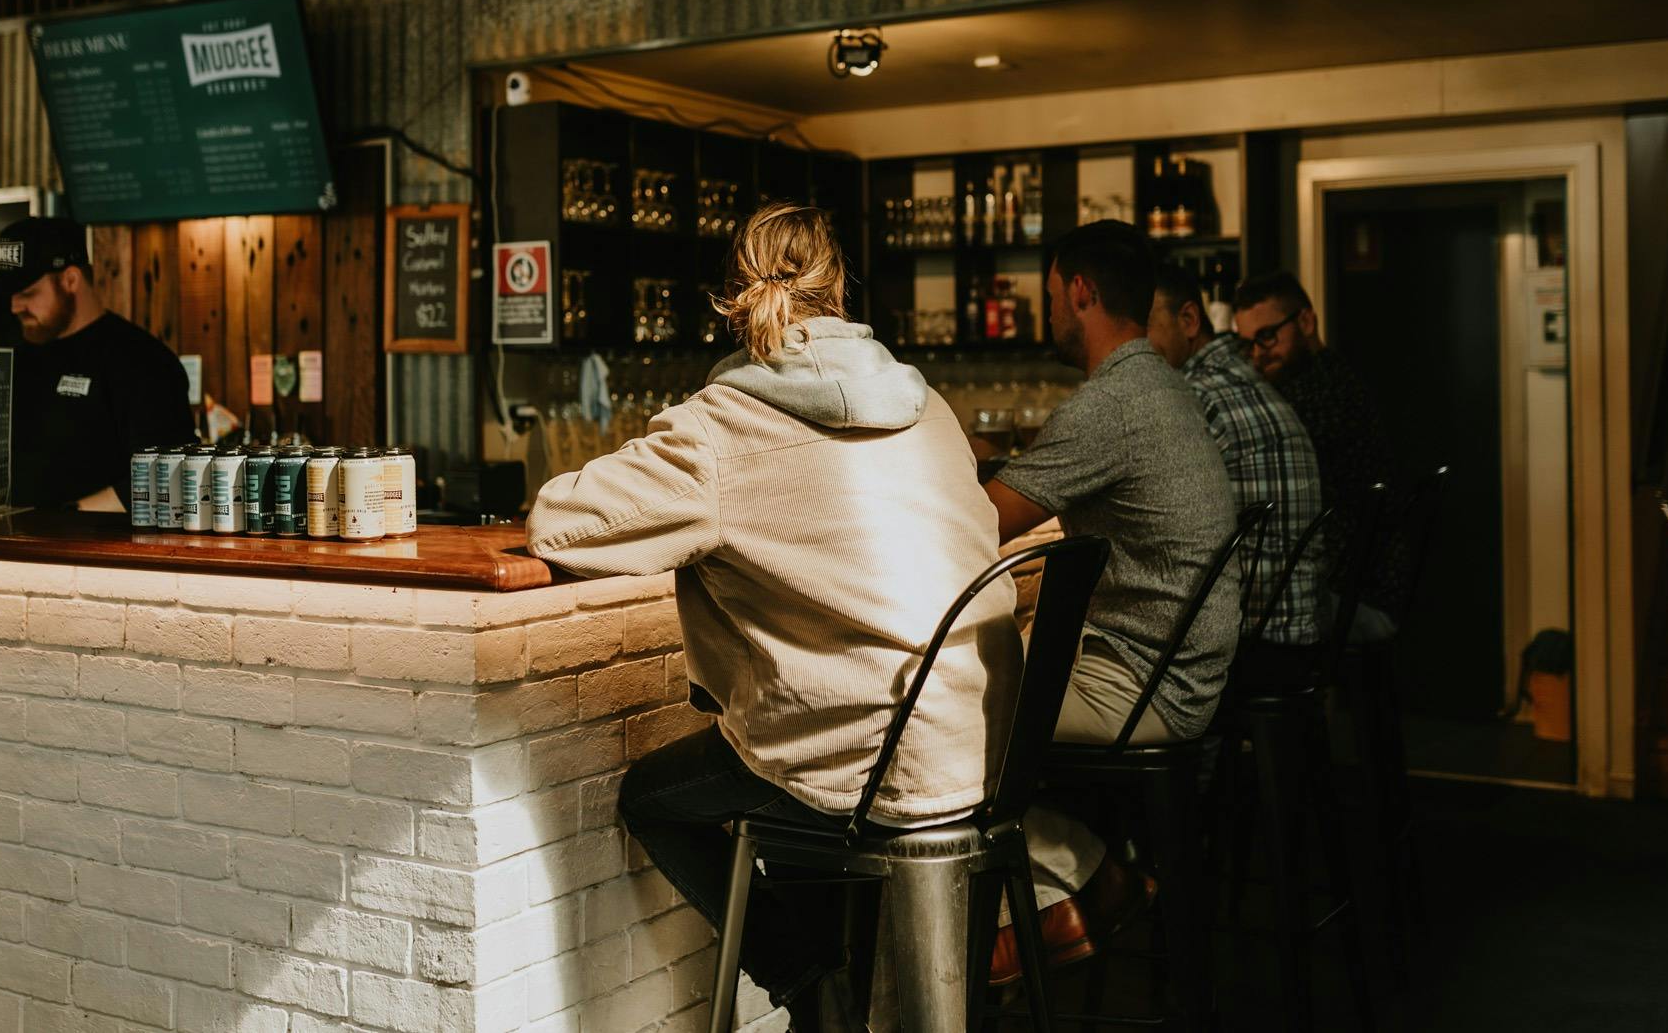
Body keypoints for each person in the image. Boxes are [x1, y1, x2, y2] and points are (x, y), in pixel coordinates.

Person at [525, 203, 1017, 1033]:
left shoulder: (719, 427)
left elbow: (558, 523)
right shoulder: (927, 403)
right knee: (784, 760)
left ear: (729, 299)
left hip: (867, 764)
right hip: (987, 741)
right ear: (841, 292)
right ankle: (832, 984)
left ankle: (813, 984)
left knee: (658, 795)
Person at [983, 222, 1237, 983]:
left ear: (1082, 292)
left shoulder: (1111, 403)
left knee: (934, 712)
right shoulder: (1161, 383)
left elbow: (978, 521)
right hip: (1186, 672)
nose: (1049, 312)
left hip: (1143, 684)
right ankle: (1084, 876)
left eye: (1052, 295)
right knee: (985, 681)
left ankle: (1067, 887)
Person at [1146, 262, 1325, 649]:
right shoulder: (1248, 378)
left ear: (1190, 320)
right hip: (1299, 626)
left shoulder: (1194, 395)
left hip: (1255, 641)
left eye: (1143, 329)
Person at [1231, 271, 1400, 639]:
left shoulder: (1316, 397)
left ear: (1306, 321)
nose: (1258, 355)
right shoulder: (1330, 376)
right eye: (1248, 345)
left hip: (1353, 600)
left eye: (1268, 336)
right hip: (1359, 590)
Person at [0, 216, 193, 511]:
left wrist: (70, 516)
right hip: (15, 548)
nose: (15, 306)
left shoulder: (142, 360)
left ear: (71, 280)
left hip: (102, 549)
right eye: (11, 294)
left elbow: (167, 472)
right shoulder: (19, 359)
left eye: (27, 293)